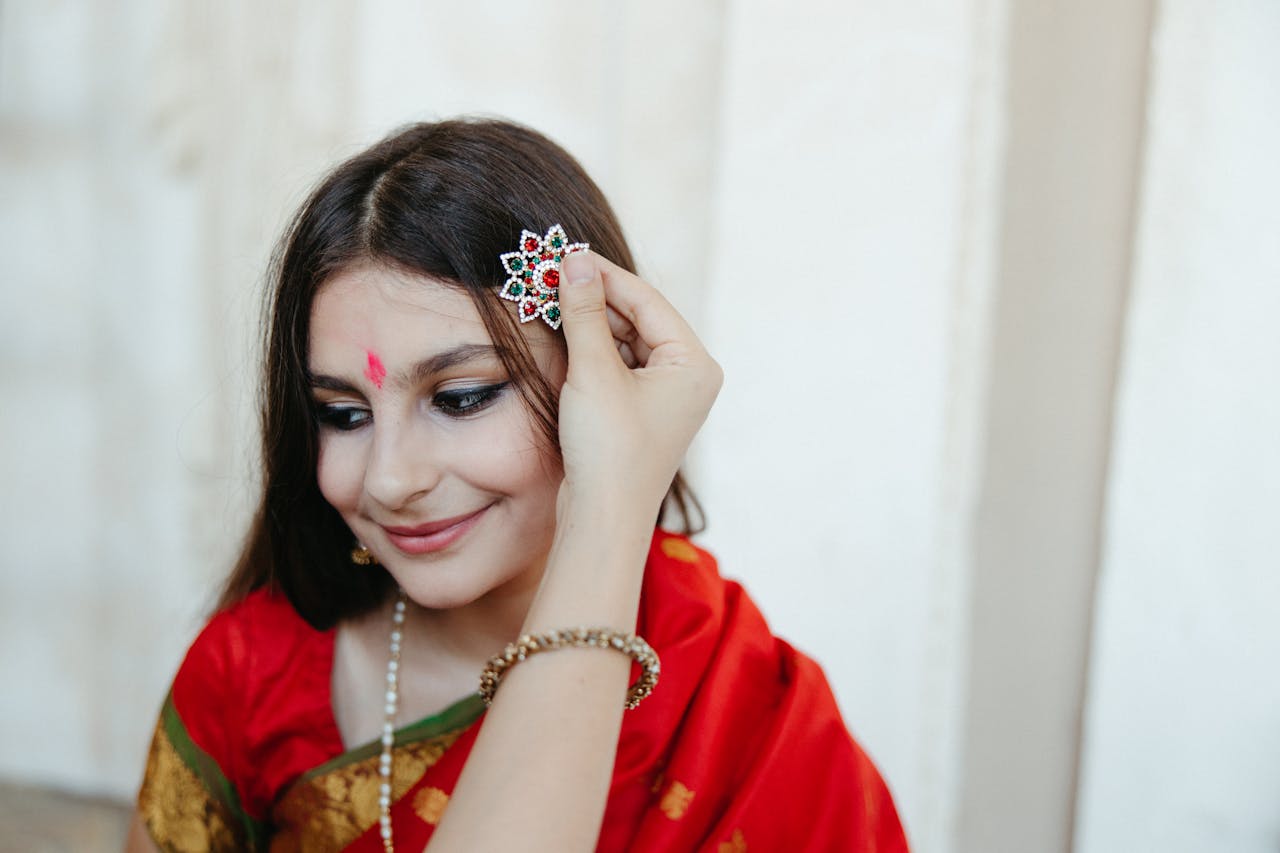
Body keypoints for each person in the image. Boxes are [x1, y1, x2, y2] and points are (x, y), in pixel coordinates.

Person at [125, 118, 908, 852]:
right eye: (342, 412)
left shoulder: (744, 703)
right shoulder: (248, 676)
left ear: (604, 385)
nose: (392, 479)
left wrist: (611, 502)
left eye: (461, 397)